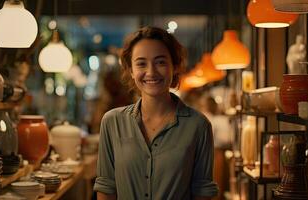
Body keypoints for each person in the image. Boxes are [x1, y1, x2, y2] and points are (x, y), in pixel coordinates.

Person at [93, 26, 218, 200]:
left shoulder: (199, 125)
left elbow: (203, 193)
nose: (151, 72)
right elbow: (106, 188)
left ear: (174, 66)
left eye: (160, 62)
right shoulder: (112, 122)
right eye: (141, 63)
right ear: (131, 70)